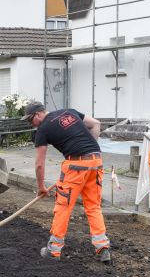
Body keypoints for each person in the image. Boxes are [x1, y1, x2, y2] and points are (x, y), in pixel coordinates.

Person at [22, 101, 112, 265]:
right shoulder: (69, 111)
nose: (31, 125)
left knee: (63, 207)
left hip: (75, 166)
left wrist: (41, 187)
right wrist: (90, 150)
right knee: (93, 206)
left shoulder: (43, 129)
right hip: (96, 162)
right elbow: (96, 124)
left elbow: (39, 164)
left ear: (37, 115)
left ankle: (54, 250)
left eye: (30, 120)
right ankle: (103, 247)